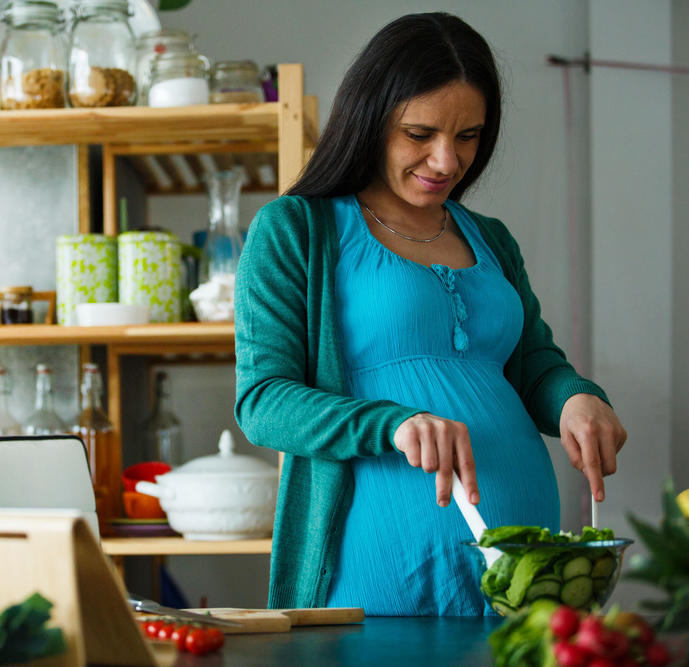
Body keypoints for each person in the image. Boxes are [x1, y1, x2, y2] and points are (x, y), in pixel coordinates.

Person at [233, 12, 627, 616]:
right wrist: (392, 423)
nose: (446, 161)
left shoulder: (491, 238)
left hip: (524, 573)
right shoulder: (296, 230)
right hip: (377, 568)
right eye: (419, 134)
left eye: (468, 135)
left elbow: (533, 366)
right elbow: (262, 402)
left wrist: (575, 397)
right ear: (370, 119)